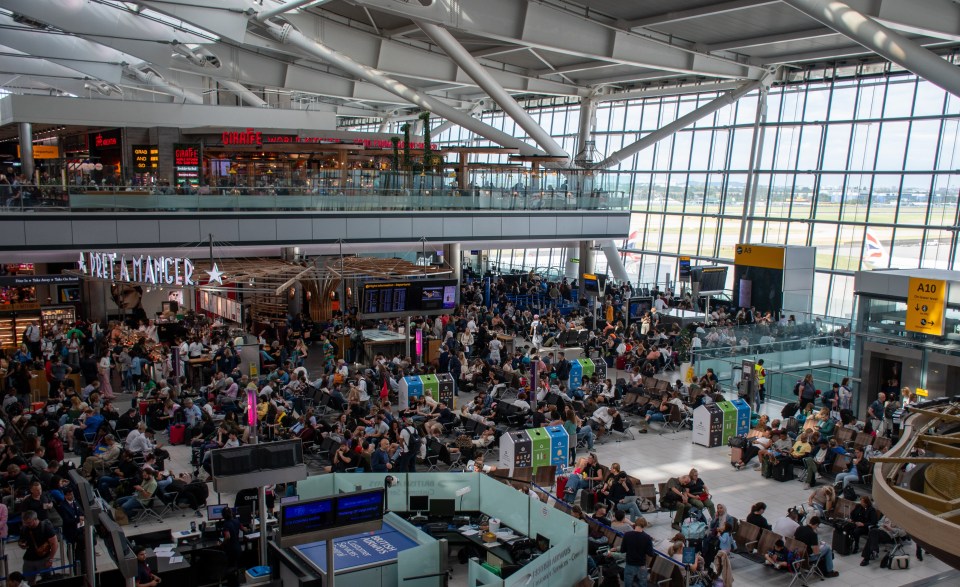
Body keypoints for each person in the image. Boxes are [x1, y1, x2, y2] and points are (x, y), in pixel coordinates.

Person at [18, 510, 58, 585]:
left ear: (36, 519)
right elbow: (21, 540)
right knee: (28, 582)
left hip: (43, 558)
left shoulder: (45, 527)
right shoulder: (25, 528)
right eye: (25, 523)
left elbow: (54, 544)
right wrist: (21, 544)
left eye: (29, 522)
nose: (27, 524)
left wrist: (51, 559)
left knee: (46, 580)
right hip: (29, 559)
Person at [618, 517, 655, 587]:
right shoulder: (647, 537)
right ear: (644, 525)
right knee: (642, 584)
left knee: (628, 584)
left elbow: (622, 550)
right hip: (641, 565)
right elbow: (651, 554)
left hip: (630, 564)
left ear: (635, 524)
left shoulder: (627, 535)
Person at [220, 507, 243, 586]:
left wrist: (221, 544)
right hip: (238, 548)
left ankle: (232, 583)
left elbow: (227, 537)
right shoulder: (236, 521)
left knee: (230, 567)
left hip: (231, 550)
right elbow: (243, 529)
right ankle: (236, 582)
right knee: (235, 567)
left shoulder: (226, 524)